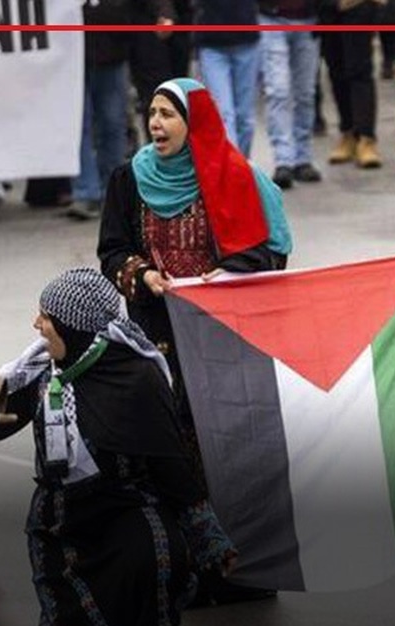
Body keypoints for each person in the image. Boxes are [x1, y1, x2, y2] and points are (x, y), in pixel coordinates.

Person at [0, 268, 236, 626]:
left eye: (45, 317)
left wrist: (209, 538)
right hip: (64, 517)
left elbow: (171, 466)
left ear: (71, 325)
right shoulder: (40, 374)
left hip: (125, 505)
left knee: (157, 552)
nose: (36, 326)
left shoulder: (136, 379)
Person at [98, 77, 292, 406]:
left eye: (168, 114)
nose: (156, 123)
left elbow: (268, 253)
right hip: (157, 328)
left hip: (223, 330)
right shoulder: (128, 178)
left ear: (193, 123)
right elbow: (112, 251)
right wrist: (144, 275)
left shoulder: (233, 176)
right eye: (152, 113)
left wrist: (231, 272)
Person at [257, 0, 323, 189]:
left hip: (308, 19)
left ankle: (303, 157)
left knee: (306, 93)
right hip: (271, 18)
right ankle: (283, 160)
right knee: (278, 91)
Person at [321, 0, 386, 169]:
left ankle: (366, 138)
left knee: (360, 70)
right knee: (335, 69)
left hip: (359, 6)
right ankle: (347, 132)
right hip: (326, 9)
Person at [193, 0, 261, 156]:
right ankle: (232, 170)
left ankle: (242, 164)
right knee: (223, 114)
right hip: (211, 44)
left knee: (245, 118)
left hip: (247, 39)